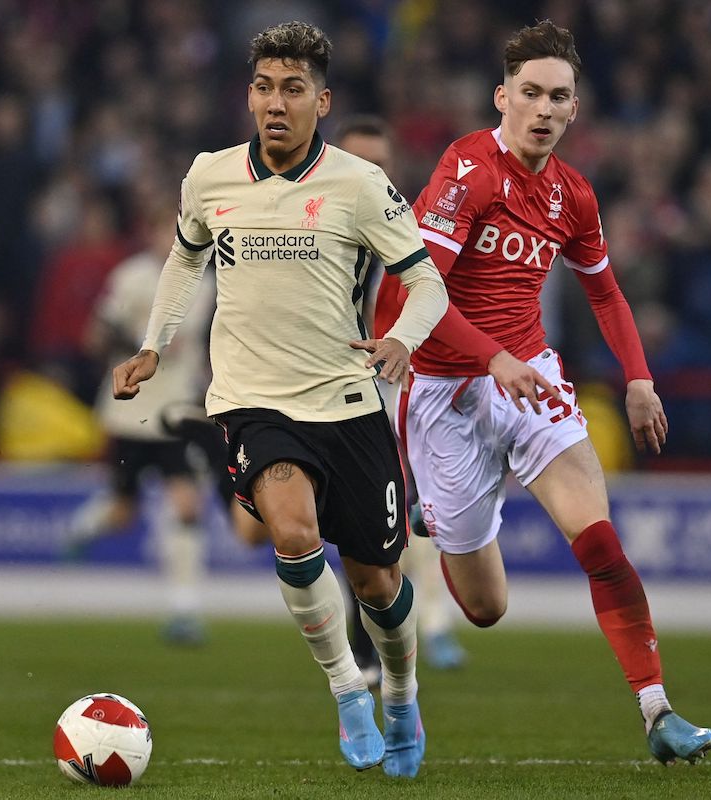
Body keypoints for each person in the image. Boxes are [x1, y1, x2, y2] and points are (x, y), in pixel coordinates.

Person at [372, 20, 711, 765]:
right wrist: (490, 358)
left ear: (573, 109)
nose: (543, 108)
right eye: (529, 92)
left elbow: (607, 294)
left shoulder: (574, 196)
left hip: (531, 378)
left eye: (558, 96)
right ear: (503, 96)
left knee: (600, 542)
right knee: (488, 609)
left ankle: (658, 712)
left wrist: (638, 378)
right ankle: (434, 516)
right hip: (445, 392)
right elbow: (418, 291)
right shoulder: (467, 171)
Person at [111, 22, 447, 778]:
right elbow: (183, 258)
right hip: (253, 400)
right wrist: (153, 346)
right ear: (249, 95)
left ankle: (400, 691)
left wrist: (404, 341)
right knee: (292, 534)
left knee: (378, 583)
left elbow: (426, 280)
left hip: (348, 402)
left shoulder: (360, 184)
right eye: (264, 86)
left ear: (321, 101)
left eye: (293, 88)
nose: (275, 102)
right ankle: (346, 695)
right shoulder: (210, 176)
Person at [336, 115, 467, 681]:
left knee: (415, 508)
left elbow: (442, 301)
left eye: (380, 165)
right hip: (331, 388)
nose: (369, 174)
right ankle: (366, 630)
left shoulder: (413, 235)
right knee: (347, 518)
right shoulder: (312, 233)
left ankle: (430, 626)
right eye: (357, 162)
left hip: (404, 387)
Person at [65, 207, 215, 646]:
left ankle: (184, 610)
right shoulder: (131, 278)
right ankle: (82, 528)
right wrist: (129, 344)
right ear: (149, 233)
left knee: (187, 504)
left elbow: (202, 345)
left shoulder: (203, 282)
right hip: (129, 411)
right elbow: (96, 335)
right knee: (122, 510)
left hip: (176, 411)